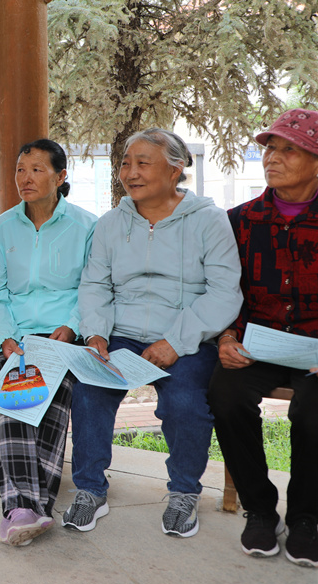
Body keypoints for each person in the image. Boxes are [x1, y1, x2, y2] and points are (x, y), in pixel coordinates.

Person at [65, 127, 242, 538]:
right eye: (126, 163)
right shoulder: (112, 223)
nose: (131, 173)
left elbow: (223, 292)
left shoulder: (209, 220)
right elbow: (95, 285)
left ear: (175, 169)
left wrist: (175, 342)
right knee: (89, 391)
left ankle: (183, 492)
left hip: (186, 335)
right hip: (121, 334)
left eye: (143, 163)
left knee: (185, 402)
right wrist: (95, 335)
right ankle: (90, 489)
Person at [208, 108, 318, 567]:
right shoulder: (239, 220)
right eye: (270, 148)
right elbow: (222, 290)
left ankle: (307, 518)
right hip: (259, 343)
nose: (273, 157)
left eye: (289, 149)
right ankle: (259, 509)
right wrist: (226, 338)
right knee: (225, 394)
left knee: (313, 412)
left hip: (316, 351)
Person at [0, 139, 96, 546]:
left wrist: (71, 326)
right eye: (20, 169)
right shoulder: (2, 227)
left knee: (53, 399)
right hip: (15, 335)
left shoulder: (86, 226)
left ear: (60, 176)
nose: (25, 178)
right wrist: (5, 338)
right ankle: (30, 507)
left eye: (36, 170)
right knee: (19, 394)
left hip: (63, 334)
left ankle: (21, 508)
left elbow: (92, 288)